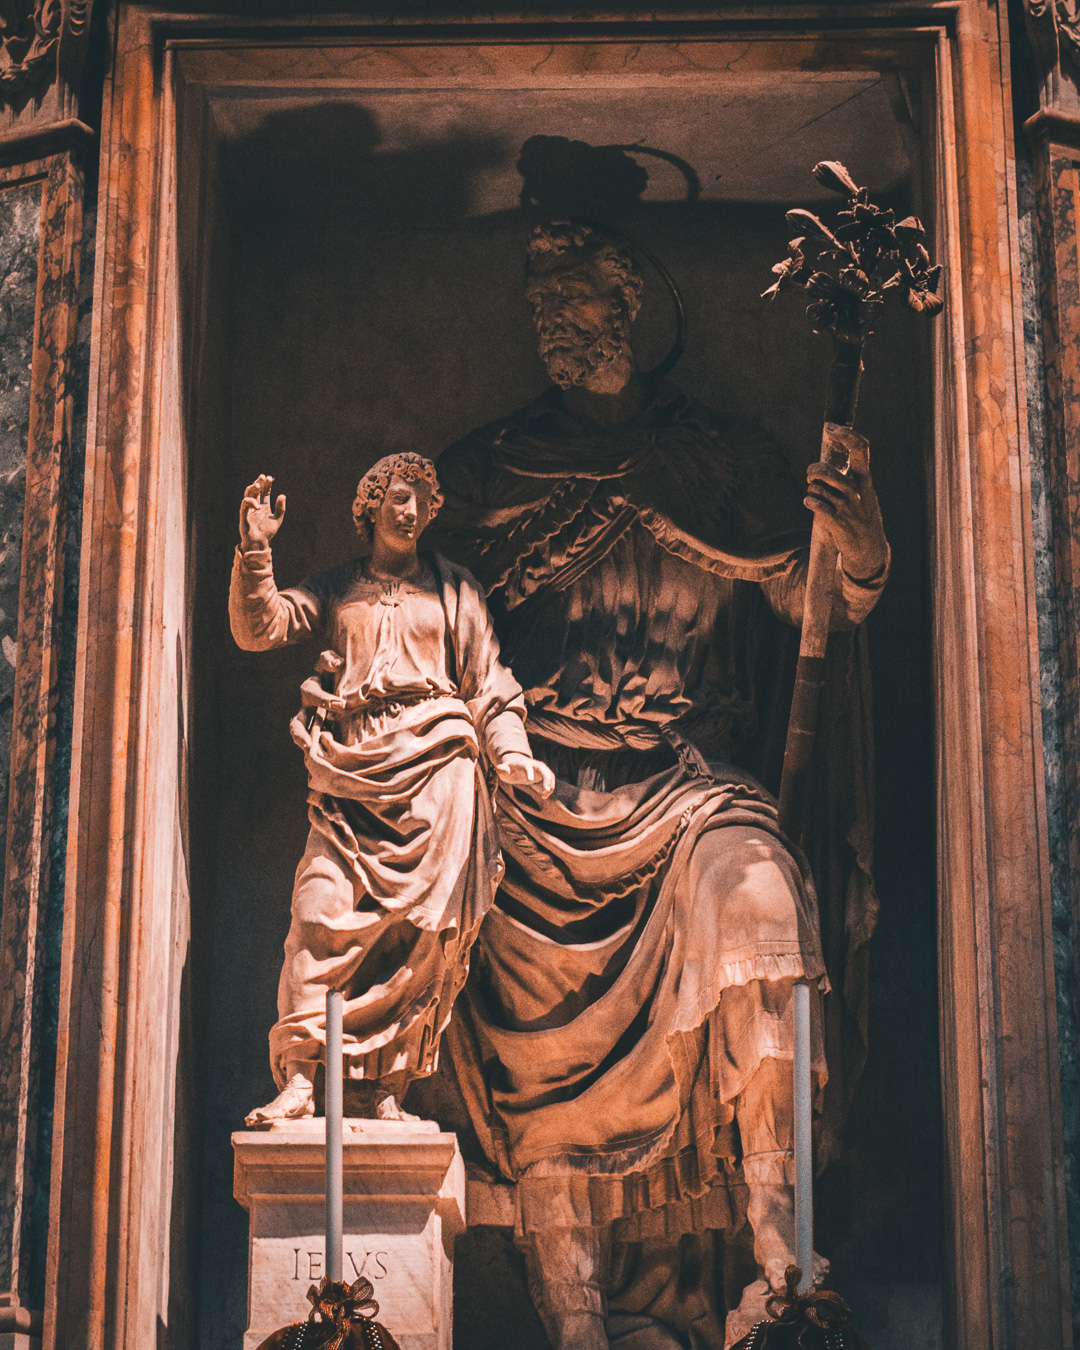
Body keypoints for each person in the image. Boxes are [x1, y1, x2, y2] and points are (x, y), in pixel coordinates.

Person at [432, 222, 889, 1347]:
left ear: (629, 308)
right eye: (539, 302)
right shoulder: (487, 470)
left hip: (690, 791)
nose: (552, 322)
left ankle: (789, 1265)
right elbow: (416, 631)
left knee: (766, 915)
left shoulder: (724, 461)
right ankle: (573, 1316)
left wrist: (863, 547)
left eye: (574, 299)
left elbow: (820, 598)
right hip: (537, 801)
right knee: (500, 969)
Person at [230, 453, 554, 1126]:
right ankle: (300, 1077)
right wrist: (256, 553)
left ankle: (386, 1088)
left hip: (440, 768)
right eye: (398, 498)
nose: (410, 512)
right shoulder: (339, 586)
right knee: (317, 913)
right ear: (371, 505)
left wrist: (513, 752)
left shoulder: (454, 590)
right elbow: (260, 628)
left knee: (419, 936)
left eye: (421, 503)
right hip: (350, 772)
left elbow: (487, 682)